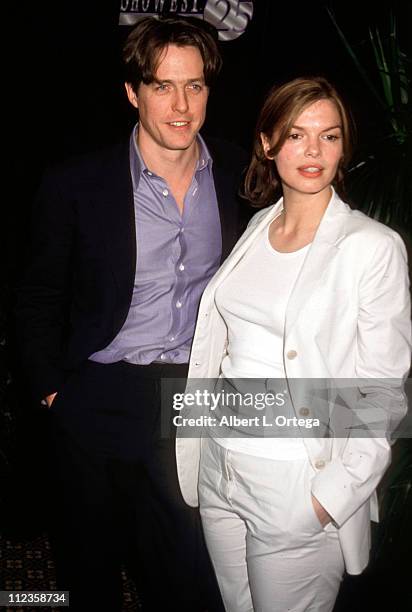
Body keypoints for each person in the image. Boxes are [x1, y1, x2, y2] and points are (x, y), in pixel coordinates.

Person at [16, 15, 247, 612]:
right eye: (162, 85)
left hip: (189, 393)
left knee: (184, 575)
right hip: (96, 391)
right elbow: (37, 296)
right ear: (132, 92)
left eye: (194, 85)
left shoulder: (238, 176)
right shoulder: (76, 184)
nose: (180, 104)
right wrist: (53, 394)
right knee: (87, 570)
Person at [175, 76, 411, 612]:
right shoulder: (260, 225)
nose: (313, 151)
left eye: (329, 137)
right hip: (221, 468)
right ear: (267, 143)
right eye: (297, 135)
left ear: (343, 147)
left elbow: (381, 395)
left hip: (295, 484)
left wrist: (323, 503)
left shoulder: (371, 249)